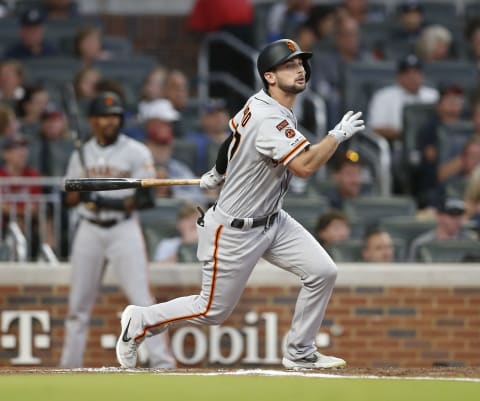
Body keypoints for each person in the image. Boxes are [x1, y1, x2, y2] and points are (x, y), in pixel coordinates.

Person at [115, 38, 365, 370]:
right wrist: (337, 135)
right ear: (270, 76)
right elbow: (305, 166)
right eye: (290, 65)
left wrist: (218, 172)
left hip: (273, 220)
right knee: (211, 311)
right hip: (236, 229)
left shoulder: (258, 103)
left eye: (301, 63)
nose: (300, 69)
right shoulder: (268, 119)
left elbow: (230, 138)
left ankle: (300, 351)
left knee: (322, 271)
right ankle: (141, 320)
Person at [59, 91, 175, 369]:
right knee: (77, 306)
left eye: (115, 116)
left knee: (142, 300)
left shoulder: (135, 151)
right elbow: (66, 197)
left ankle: (163, 363)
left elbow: (146, 198)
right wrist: (82, 191)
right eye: (104, 116)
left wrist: (101, 197)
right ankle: (67, 366)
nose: (111, 121)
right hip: (89, 229)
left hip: (123, 230)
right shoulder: (82, 153)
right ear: (92, 121)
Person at [407, 198, 477, 262]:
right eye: (452, 215)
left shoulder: (470, 243)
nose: (457, 220)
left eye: (460, 215)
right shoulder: (422, 244)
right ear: (439, 216)